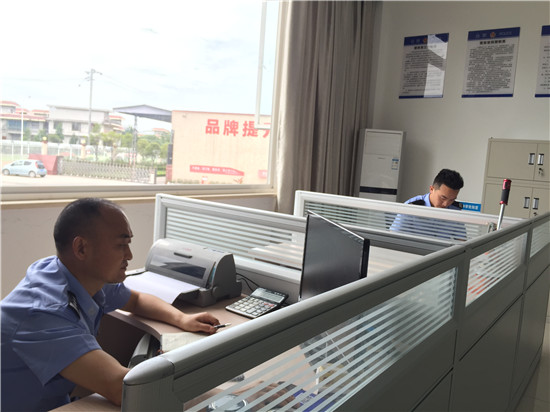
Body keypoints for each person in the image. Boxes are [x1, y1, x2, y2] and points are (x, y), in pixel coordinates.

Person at [1, 198, 221, 412]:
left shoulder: (74, 272)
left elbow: (137, 300)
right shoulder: (43, 314)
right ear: (81, 248)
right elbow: (123, 389)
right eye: (121, 245)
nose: (129, 255)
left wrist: (182, 319)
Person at [390, 169, 466, 240]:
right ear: (431, 189)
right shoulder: (411, 207)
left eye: (452, 199)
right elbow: (394, 237)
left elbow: (462, 241)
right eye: (443, 198)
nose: (446, 204)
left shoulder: (455, 211)